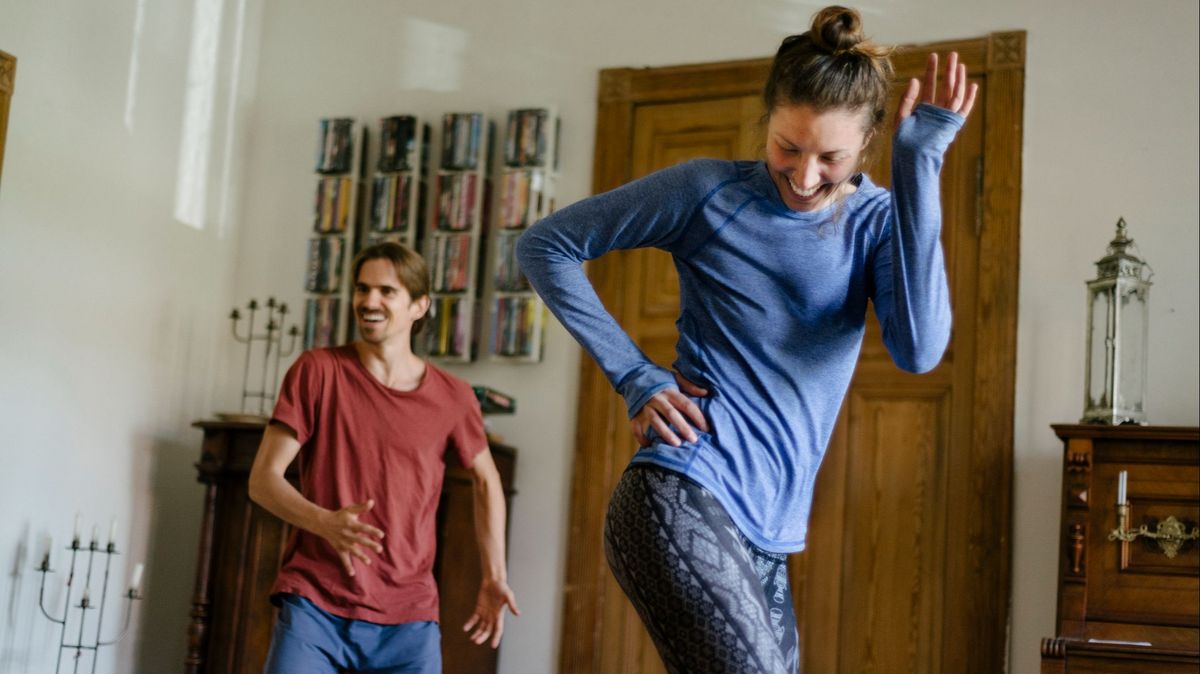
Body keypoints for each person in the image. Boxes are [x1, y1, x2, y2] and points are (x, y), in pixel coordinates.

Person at [516, 6, 976, 673]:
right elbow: (545, 244)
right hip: (681, 493)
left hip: (769, 536)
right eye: (788, 147)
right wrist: (634, 374)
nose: (805, 174)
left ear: (871, 142)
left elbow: (919, 350)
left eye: (831, 156)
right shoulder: (707, 191)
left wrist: (920, 166)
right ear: (768, 121)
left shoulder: (876, 222)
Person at [248, 241, 519, 673]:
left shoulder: (454, 397)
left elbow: (488, 482)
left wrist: (495, 575)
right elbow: (263, 479)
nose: (368, 301)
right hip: (315, 604)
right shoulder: (317, 371)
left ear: (419, 306)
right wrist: (325, 522)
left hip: (408, 620)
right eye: (361, 289)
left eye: (386, 291)